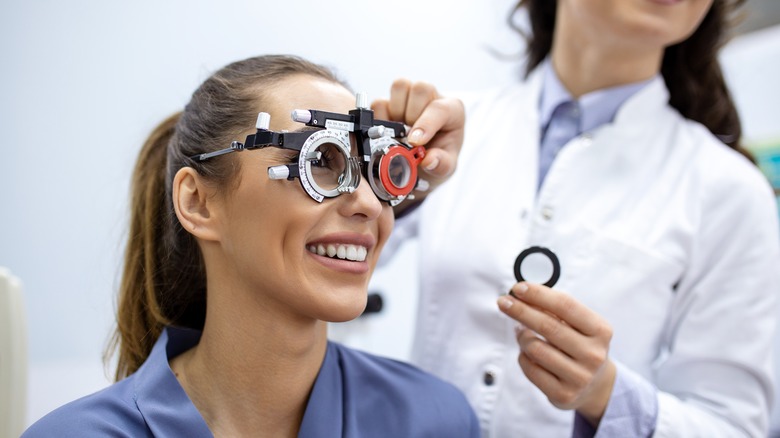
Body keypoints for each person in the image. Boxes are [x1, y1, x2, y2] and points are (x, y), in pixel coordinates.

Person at [373, 0, 780, 436]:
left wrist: (606, 394)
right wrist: (381, 177)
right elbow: (312, 269)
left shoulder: (731, 191)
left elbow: (733, 425)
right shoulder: (445, 131)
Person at [22, 54, 478, 437]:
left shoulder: (434, 420)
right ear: (198, 202)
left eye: (377, 170)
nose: (367, 204)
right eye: (320, 160)